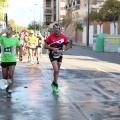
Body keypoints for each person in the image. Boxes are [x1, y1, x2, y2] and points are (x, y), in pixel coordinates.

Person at [44, 23, 70, 92]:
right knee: (55, 70)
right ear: (53, 30)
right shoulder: (50, 37)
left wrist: (62, 50)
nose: (56, 30)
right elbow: (45, 46)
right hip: (52, 54)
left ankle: (54, 82)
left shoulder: (63, 37)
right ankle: (56, 84)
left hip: (60, 55)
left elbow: (68, 45)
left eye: (57, 29)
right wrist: (52, 48)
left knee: (57, 71)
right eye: (55, 29)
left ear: (59, 30)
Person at [0, 25, 23, 98]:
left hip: (12, 60)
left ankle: (10, 91)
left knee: (11, 75)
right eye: (6, 29)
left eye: (9, 29)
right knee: (5, 77)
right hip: (4, 60)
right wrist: (2, 32)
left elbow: (20, 46)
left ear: (12, 31)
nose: (7, 30)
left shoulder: (15, 39)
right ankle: (7, 85)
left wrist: (20, 56)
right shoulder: (2, 38)